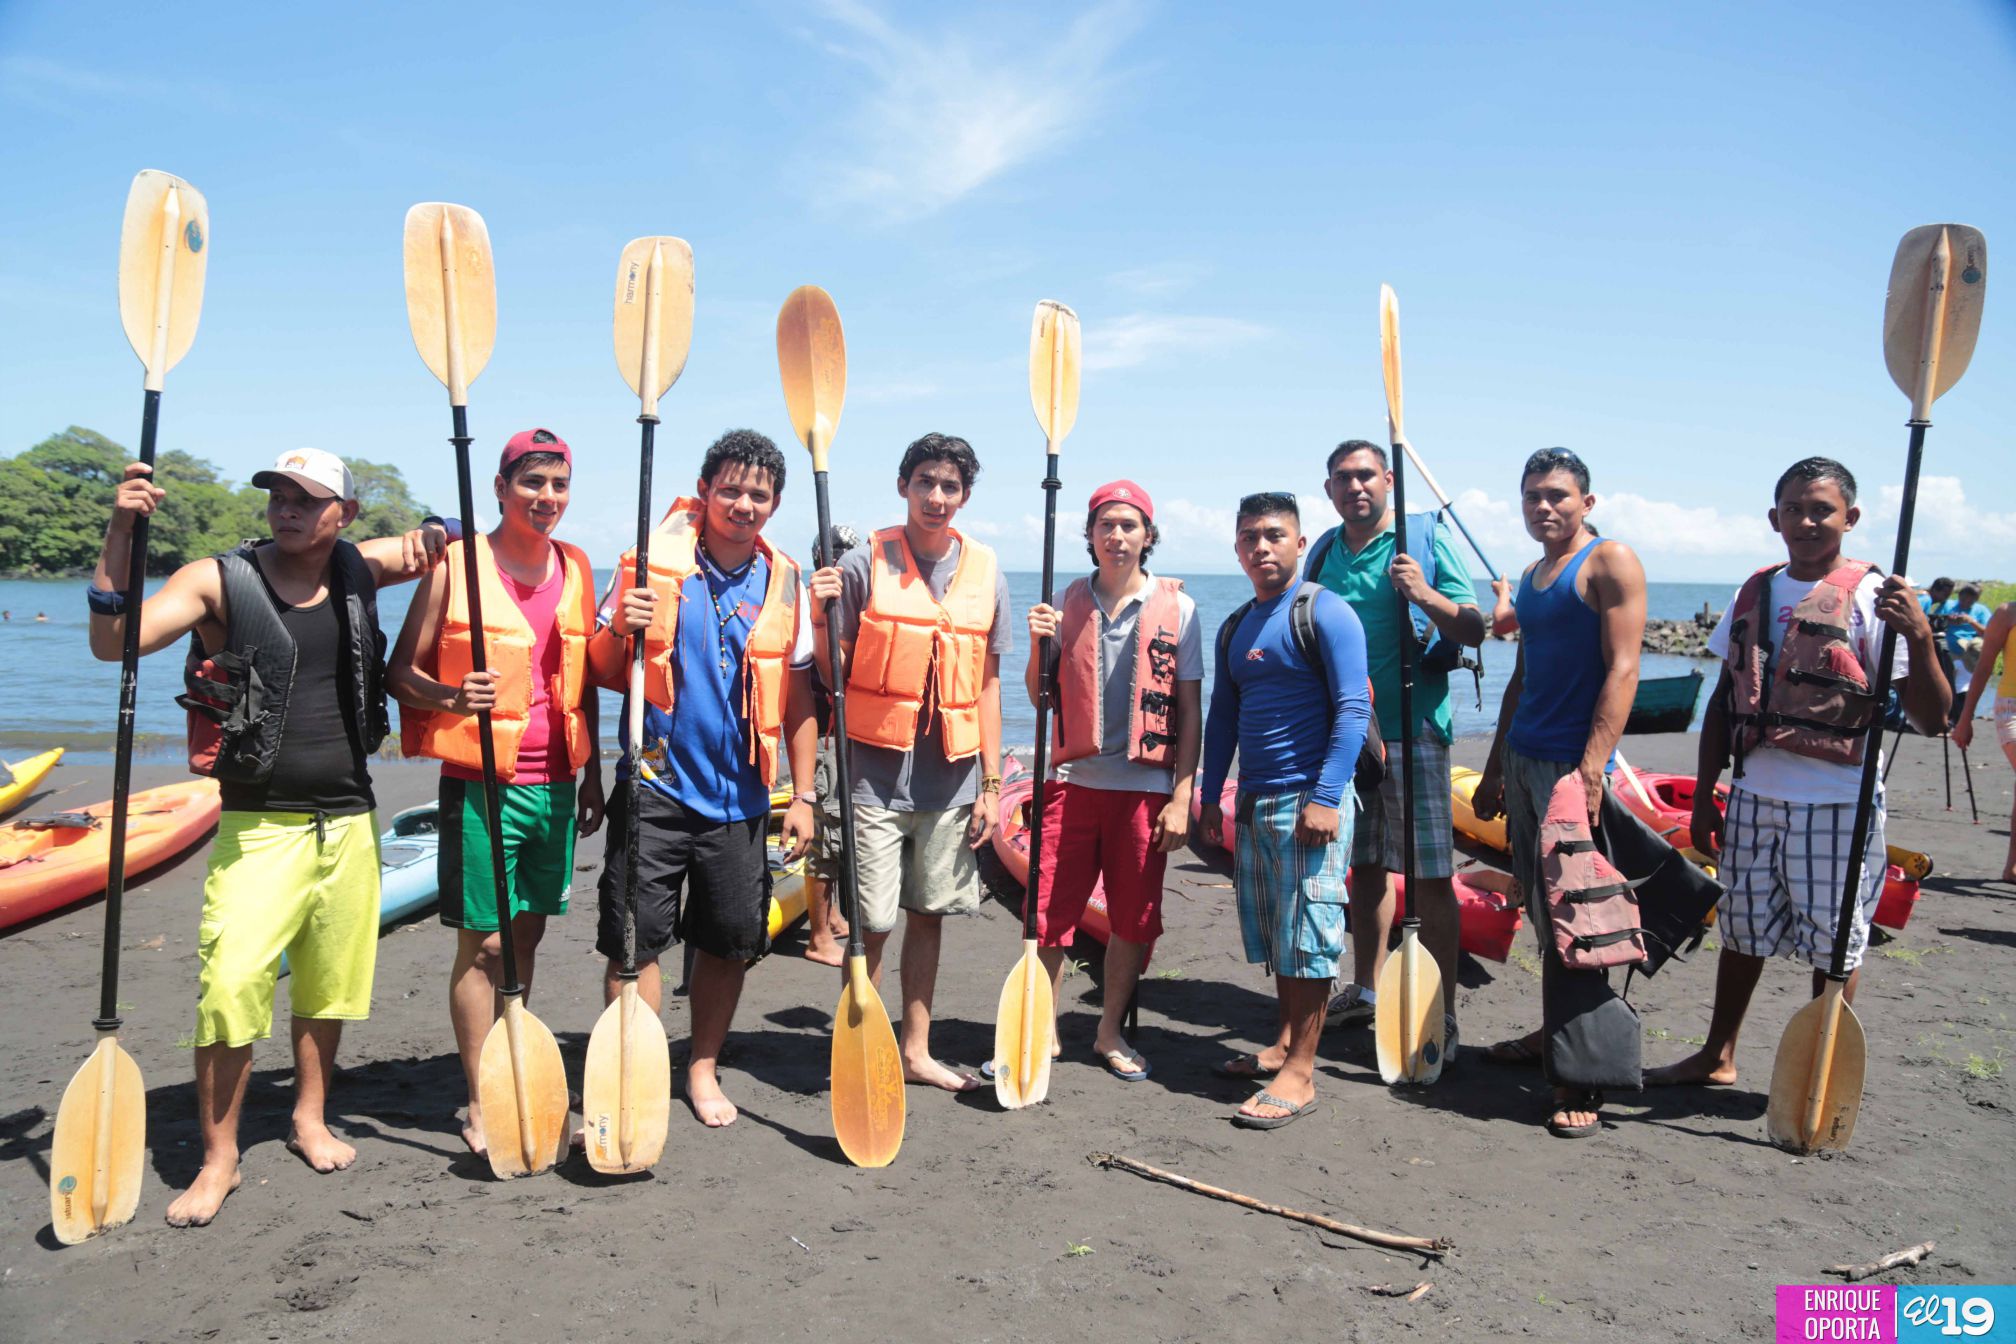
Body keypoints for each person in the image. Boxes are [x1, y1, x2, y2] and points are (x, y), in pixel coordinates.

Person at [86, 448, 445, 1226]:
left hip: (350, 823)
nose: (286, 508)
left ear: (342, 514)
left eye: (307, 498)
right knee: (229, 989)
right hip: (259, 830)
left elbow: (425, 546)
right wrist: (121, 528)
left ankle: (309, 1117)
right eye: (278, 495)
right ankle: (220, 1160)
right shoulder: (219, 580)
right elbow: (115, 644)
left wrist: (439, 534)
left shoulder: (356, 566)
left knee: (328, 990)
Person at [1647, 457, 1950, 1087]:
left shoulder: (1874, 598)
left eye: (1822, 510)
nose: (1807, 521)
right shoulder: (1754, 590)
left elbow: (1933, 719)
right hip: (1756, 793)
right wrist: (1706, 795)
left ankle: (1820, 1065)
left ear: (1851, 518)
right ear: (1773, 517)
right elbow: (1726, 702)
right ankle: (1718, 1055)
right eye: (1794, 509)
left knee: (1835, 942)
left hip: (1838, 800)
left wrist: (1919, 637)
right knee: (1743, 929)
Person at [587, 430, 817, 1127]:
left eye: (759, 494)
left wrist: (804, 795)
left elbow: (801, 697)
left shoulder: (785, 581)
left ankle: (702, 1067)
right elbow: (599, 671)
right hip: (655, 787)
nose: (744, 504)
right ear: (705, 490)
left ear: (774, 505)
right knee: (636, 941)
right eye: (732, 489)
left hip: (741, 799)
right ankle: (637, 1065)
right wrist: (618, 630)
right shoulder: (649, 565)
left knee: (727, 942)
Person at [387, 428, 605, 1156]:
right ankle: (481, 1100)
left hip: (558, 779)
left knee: (526, 936)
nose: (547, 499)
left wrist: (595, 770)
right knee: (482, 945)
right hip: (482, 783)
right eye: (532, 483)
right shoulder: (456, 565)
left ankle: (517, 1071)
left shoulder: (576, 566)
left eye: (558, 485)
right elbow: (399, 672)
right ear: (501, 488)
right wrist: (452, 696)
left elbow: (581, 678)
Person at [807, 432, 1009, 1094]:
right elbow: (831, 672)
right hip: (872, 778)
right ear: (904, 487)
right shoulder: (867, 563)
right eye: (925, 482)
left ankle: (916, 1050)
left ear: (965, 497)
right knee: (872, 921)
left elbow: (986, 683)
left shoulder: (987, 570)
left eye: (950, 486)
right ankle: (856, 1047)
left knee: (928, 914)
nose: (937, 496)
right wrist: (819, 614)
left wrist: (992, 784)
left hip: (951, 782)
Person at [1471, 448, 1646, 1138]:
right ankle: (1557, 1036)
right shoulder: (1537, 578)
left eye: (1558, 496)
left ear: (1587, 503)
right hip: (1524, 757)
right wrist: (1493, 767)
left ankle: (1585, 1076)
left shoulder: (1608, 562)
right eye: (1533, 497)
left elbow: (1625, 667)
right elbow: (1522, 676)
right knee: (1544, 917)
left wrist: (1594, 769)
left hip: (1573, 767)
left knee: (1584, 919)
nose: (1545, 507)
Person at [1199, 493, 1371, 1129]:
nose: (1261, 547)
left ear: (1301, 544)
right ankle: (1282, 1043)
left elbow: (1354, 708)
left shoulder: (1326, 612)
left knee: (1310, 935)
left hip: (1310, 798)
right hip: (1254, 800)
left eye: (1275, 535)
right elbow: (1224, 717)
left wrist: (1327, 796)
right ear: (1238, 548)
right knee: (1278, 932)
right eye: (1249, 537)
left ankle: (1302, 1073)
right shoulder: (1237, 623)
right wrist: (1209, 793)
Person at [1022, 480, 1202, 1081]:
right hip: (1074, 782)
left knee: (1133, 917)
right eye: (1106, 525)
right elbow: (1039, 697)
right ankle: (1043, 1026)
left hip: (1144, 792)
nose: (1116, 536)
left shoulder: (1180, 608)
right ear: (1090, 535)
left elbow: (1189, 711)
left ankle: (1108, 1032)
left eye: (1129, 525)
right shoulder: (1064, 601)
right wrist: (1036, 644)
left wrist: (1182, 795)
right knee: (1049, 912)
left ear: (1147, 536)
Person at [1308, 441, 1483, 1051]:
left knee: (1431, 875)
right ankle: (1367, 989)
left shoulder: (1423, 540)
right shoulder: (1325, 550)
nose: (1355, 487)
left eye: (1365, 476)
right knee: (1365, 867)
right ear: (1328, 489)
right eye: (1342, 479)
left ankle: (1444, 1011)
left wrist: (1424, 595)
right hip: (1347, 736)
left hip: (1415, 728)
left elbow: (1474, 624)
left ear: (1387, 479)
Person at [803, 523, 864, 968]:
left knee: (846, 833)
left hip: (851, 736)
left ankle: (836, 915)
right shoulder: (817, 604)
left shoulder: (851, 600)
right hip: (825, 735)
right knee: (825, 840)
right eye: (841, 553)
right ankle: (819, 937)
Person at [1954, 599, 2016, 885]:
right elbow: (1984, 667)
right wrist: (1965, 719)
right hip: (2011, 708)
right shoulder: (2008, 613)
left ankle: (2011, 867)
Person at [1937, 582, 1992, 676]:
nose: (1965, 604)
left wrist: (1971, 621)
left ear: (1976, 599)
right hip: (1948, 650)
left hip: (1969, 652)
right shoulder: (1948, 605)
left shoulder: (1982, 610)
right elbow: (1934, 622)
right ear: (1959, 595)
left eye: (1970, 602)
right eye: (1963, 600)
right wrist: (1947, 620)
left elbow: (1988, 633)